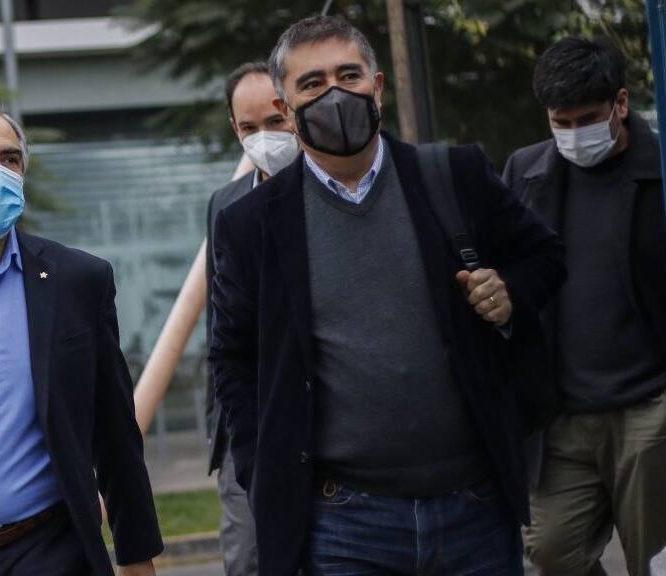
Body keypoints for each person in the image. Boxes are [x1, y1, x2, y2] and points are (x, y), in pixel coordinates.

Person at [209, 15, 565, 576]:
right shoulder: (251, 224)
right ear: (285, 106)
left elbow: (545, 256)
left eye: (348, 75)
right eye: (312, 83)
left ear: (377, 86)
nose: (333, 93)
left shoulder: (453, 175)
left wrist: (509, 291)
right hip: (343, 521)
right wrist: (264, 467)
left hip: (474, 507)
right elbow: (232, 356)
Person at [0, 97, 162, 576]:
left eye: (10, 159)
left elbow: (114, 430)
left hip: (47, 550)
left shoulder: (78, 280)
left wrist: (136, 555)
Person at [504, 37, 666, 576]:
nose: (574, 134)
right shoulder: (525, 173)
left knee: (659, 560)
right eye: (560, 121)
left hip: (649, 409)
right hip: (561, 418)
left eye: (587, 118)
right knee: (550, 550)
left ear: (621, 104)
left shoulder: (660, 170)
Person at [206, 61, 299, 576]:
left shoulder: (334, 190)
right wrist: (218, 428)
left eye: (275, 121)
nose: (264, 137)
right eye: (248, 127)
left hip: (324, 424)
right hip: (245, 429)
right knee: (246, 561)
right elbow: (219, 323)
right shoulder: (225, 205)